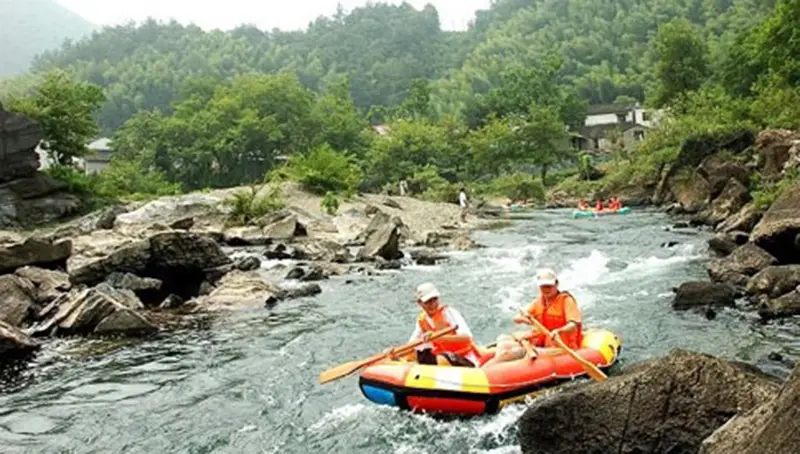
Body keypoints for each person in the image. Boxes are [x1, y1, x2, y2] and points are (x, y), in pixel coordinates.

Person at [389, 283, 480, 367]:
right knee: (418, 353)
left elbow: (467, 338)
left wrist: (436, 337)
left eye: (435, 299)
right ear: (420, 302)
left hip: (465, 358)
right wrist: (396, 352)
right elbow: (412, 344)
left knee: (442, 358)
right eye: (428, 301)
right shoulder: (422, 320)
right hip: (443, 356)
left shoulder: (449, 313)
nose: (433, 304)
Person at [512, 268, 583, 350]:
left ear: (556, 284)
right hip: (542, 342)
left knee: (549, 342)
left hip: (562, 345)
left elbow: (573, 325)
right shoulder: (538, 302)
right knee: (504, 341)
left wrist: (559, 331)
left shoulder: (566, 301)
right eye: (543, 286)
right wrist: (525, 320)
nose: (546, 290)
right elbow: (516, 318)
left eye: (548, 286)